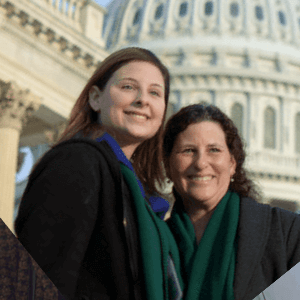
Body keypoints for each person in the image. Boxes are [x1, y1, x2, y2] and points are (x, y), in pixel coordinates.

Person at [14, 47, 183, 300]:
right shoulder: (76, 163)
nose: (142, 100)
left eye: (155, 93)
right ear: (95, 98)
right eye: (128, 87)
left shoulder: (144, 200)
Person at [161, 104, 300, 300]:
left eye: (214, 150)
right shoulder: (155, 242)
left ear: (232, 164)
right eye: (188, 150)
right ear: (168, 166)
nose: (201, 163)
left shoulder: (287, 234)